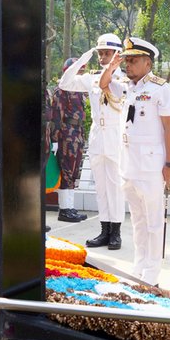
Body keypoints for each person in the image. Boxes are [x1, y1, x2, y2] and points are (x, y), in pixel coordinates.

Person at [100, 37, 170, 285]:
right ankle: (139, 264)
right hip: (129, 166)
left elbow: (169, 129)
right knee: (138, 220)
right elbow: (103, 85)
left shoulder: (160, 88)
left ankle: (153, 270)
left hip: (152, 166)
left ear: (147, 62)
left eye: (133, 60)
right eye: (126, 60)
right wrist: (111, 66)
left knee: (154, 221)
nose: (128, 65)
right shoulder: (126, 87)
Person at [58, 33, 126, 249]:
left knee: (115, 186)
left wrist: (112, 67)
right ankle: (104, 230)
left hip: (116, 135)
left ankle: (116, 232)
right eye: (100, 53)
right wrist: (84, 58)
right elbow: (65, 82)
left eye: (107, 53)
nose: (103, 56)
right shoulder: (92, 77)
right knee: (101, 187)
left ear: (117, 54)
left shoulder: (123, 78)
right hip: (98, 135)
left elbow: (114, 90)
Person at [51, 58, 89, 223]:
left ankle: (70, 207)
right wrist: (55, 139)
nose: (80, 73)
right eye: (78, 70)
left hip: (77, 132)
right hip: (66, 133)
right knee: (66, 170)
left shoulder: (78, 89)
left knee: (74, 172)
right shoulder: (61, 89)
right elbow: (56, 115)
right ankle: (64, 210)